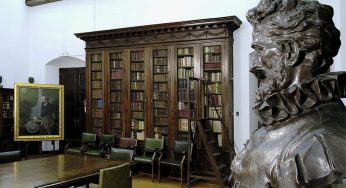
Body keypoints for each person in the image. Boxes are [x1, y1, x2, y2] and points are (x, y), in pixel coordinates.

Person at [230, 0, 346, 187]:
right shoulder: (283, 116)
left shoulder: (325, 144)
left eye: (259, 50)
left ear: (291, 52)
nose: (253, 65)